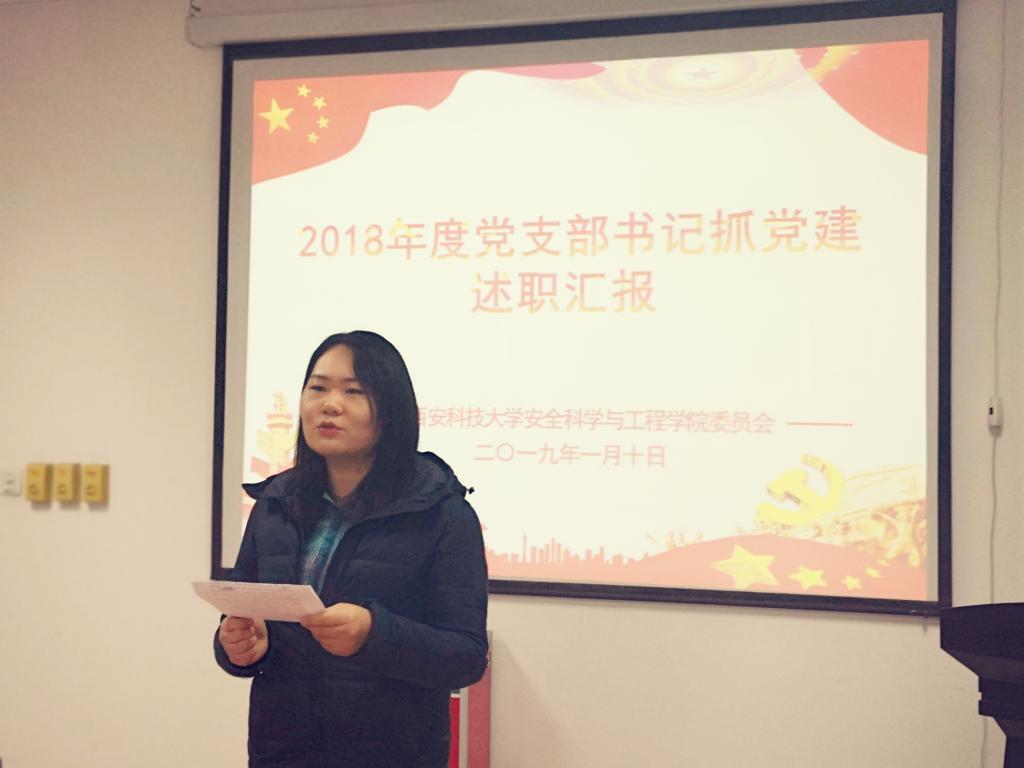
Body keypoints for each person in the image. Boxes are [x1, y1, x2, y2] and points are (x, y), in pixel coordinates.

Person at [215, 331, 489, 768]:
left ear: (391, 412)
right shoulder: (274, 505)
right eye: (318, 388)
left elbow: (466, 657)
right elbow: (244, 617)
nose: (330, 405)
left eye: (353, 391)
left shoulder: (442, 514)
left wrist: (374, 634)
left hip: (393, 754)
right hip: (282, 751)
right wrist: (241, 646)